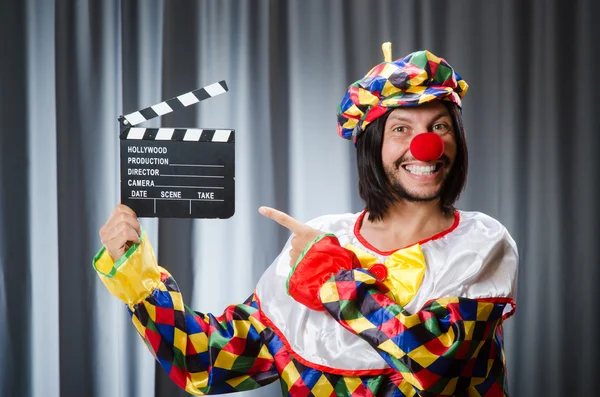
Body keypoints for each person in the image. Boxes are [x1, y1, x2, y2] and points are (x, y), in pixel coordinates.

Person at [94, 44, 518, 396]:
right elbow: (203, 362)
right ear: (373, 145)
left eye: (439, 125)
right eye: (401, 129)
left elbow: (432, 361)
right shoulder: (321, 238)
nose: (425, 146)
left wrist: (333, 281)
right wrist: (136, 273)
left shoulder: (480, 242)